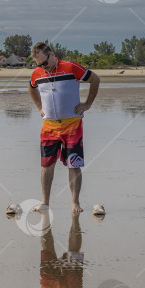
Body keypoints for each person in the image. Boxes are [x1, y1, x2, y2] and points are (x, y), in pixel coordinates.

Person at [28, 42, 100, 213]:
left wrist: (87, 104)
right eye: (39, 65)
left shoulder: (70, 67)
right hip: (49, 126)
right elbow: (31, 88)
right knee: (46, 165)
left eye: (45, 63)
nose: (43, 67)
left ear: (51, 54)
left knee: (73, 164)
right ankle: (45, 202)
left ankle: (75, 202)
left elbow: (95, 79)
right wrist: (39, 107)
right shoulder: (37, 73)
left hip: (72, 125)